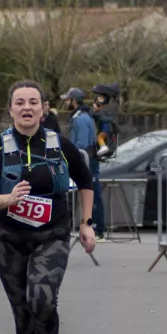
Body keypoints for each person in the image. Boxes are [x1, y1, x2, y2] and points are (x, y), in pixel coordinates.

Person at [0, 81, 95, 334]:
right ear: (10, 110)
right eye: (20, 102)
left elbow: (85, 181)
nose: (26, 107)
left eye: (33, 102)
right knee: (22, 308)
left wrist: (86, 224)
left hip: (51, 235)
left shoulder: (60, 144)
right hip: (8, 239)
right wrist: (8, 199)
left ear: (44, 109)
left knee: (41, 297)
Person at [65, 86, 104, 234]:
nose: (66, 102)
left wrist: (69, 154)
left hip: (88, 161)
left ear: (74, 101)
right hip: (86, 160)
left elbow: (81, 144)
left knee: (92, 194)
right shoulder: (80, 116)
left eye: (68, 100)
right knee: (89, 193)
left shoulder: (81, 119)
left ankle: (98, 229)